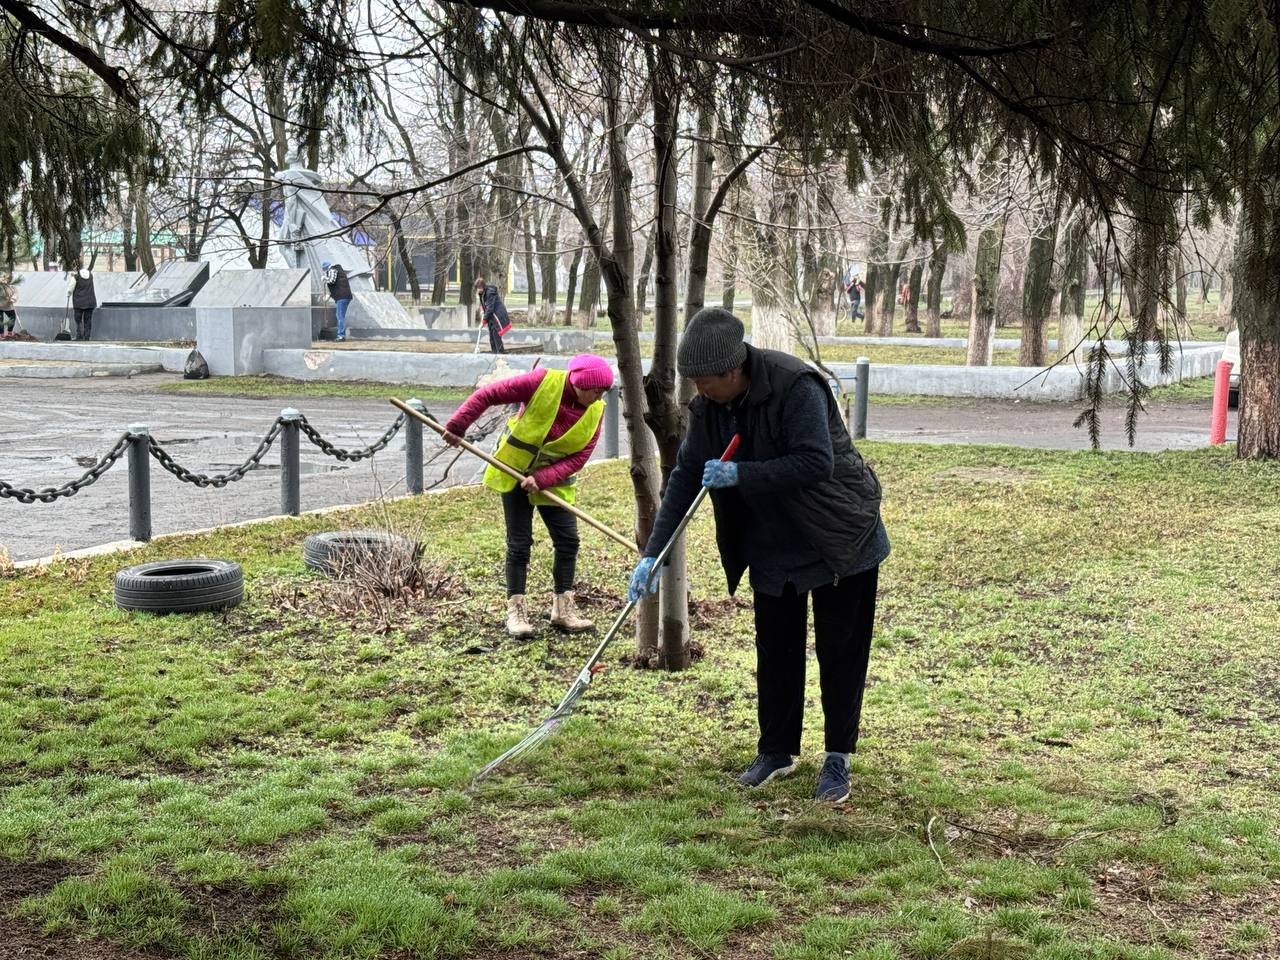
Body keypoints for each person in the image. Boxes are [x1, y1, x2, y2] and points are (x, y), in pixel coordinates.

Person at [627, 308, 889, 803]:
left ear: (733, 370)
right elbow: (685, 477)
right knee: (776, 649)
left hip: (837, 535)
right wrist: (653, 554)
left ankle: (838, 758)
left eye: (704, 382)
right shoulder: (708, 408)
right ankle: (777, 750)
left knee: (840, 651)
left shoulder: (796, 387)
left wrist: (742, 474)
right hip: (772, 542)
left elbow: (816, 461)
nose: (697, 393)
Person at [443, 354, 614, 637]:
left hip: (554, 480)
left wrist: (544, 478)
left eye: (603, 392)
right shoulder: (542, 382)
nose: (599, 398)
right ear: (580, 383)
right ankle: (517, 612)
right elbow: (488, 394)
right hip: (514, 470)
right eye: (596, 391)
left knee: (568, 540)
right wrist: (458, 425)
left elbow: (580, 456)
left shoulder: (596, 409)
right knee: (520, 543)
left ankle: (563, 609)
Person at [474, 276, 510, 354]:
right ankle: (494, 353)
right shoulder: (482, 293)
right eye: (477, 288)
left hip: (497, 315)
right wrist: (482, 310)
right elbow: (483, 303)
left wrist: (483, 322)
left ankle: (500, 354)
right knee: (491, 335)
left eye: (480, 288)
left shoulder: (490, 293)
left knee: (496, 334)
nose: (478, 290)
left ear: (483, 286)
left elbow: (490, 308)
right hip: (491, 316)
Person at [321, 260, 352, 341]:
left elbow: (332, 281)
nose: (324, 271)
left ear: (326, 267)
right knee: (340, 316)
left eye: (324, 269)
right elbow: (337, 285)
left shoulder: (333, 270)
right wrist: (329, 296)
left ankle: (341, 336)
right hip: (343, 296)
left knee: (339, 316)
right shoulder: (336, 270)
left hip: (342, 296)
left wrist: (325, 278)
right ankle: (341, 335)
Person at [67, 267, 96, 340]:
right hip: (90, 301)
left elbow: (71, 287)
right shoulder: (91, 276)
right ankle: (87, 337)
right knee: (88, 320)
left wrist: (68, 294)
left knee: (78, 320)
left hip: (78, 302)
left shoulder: (76, 277)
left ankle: (79, 336)